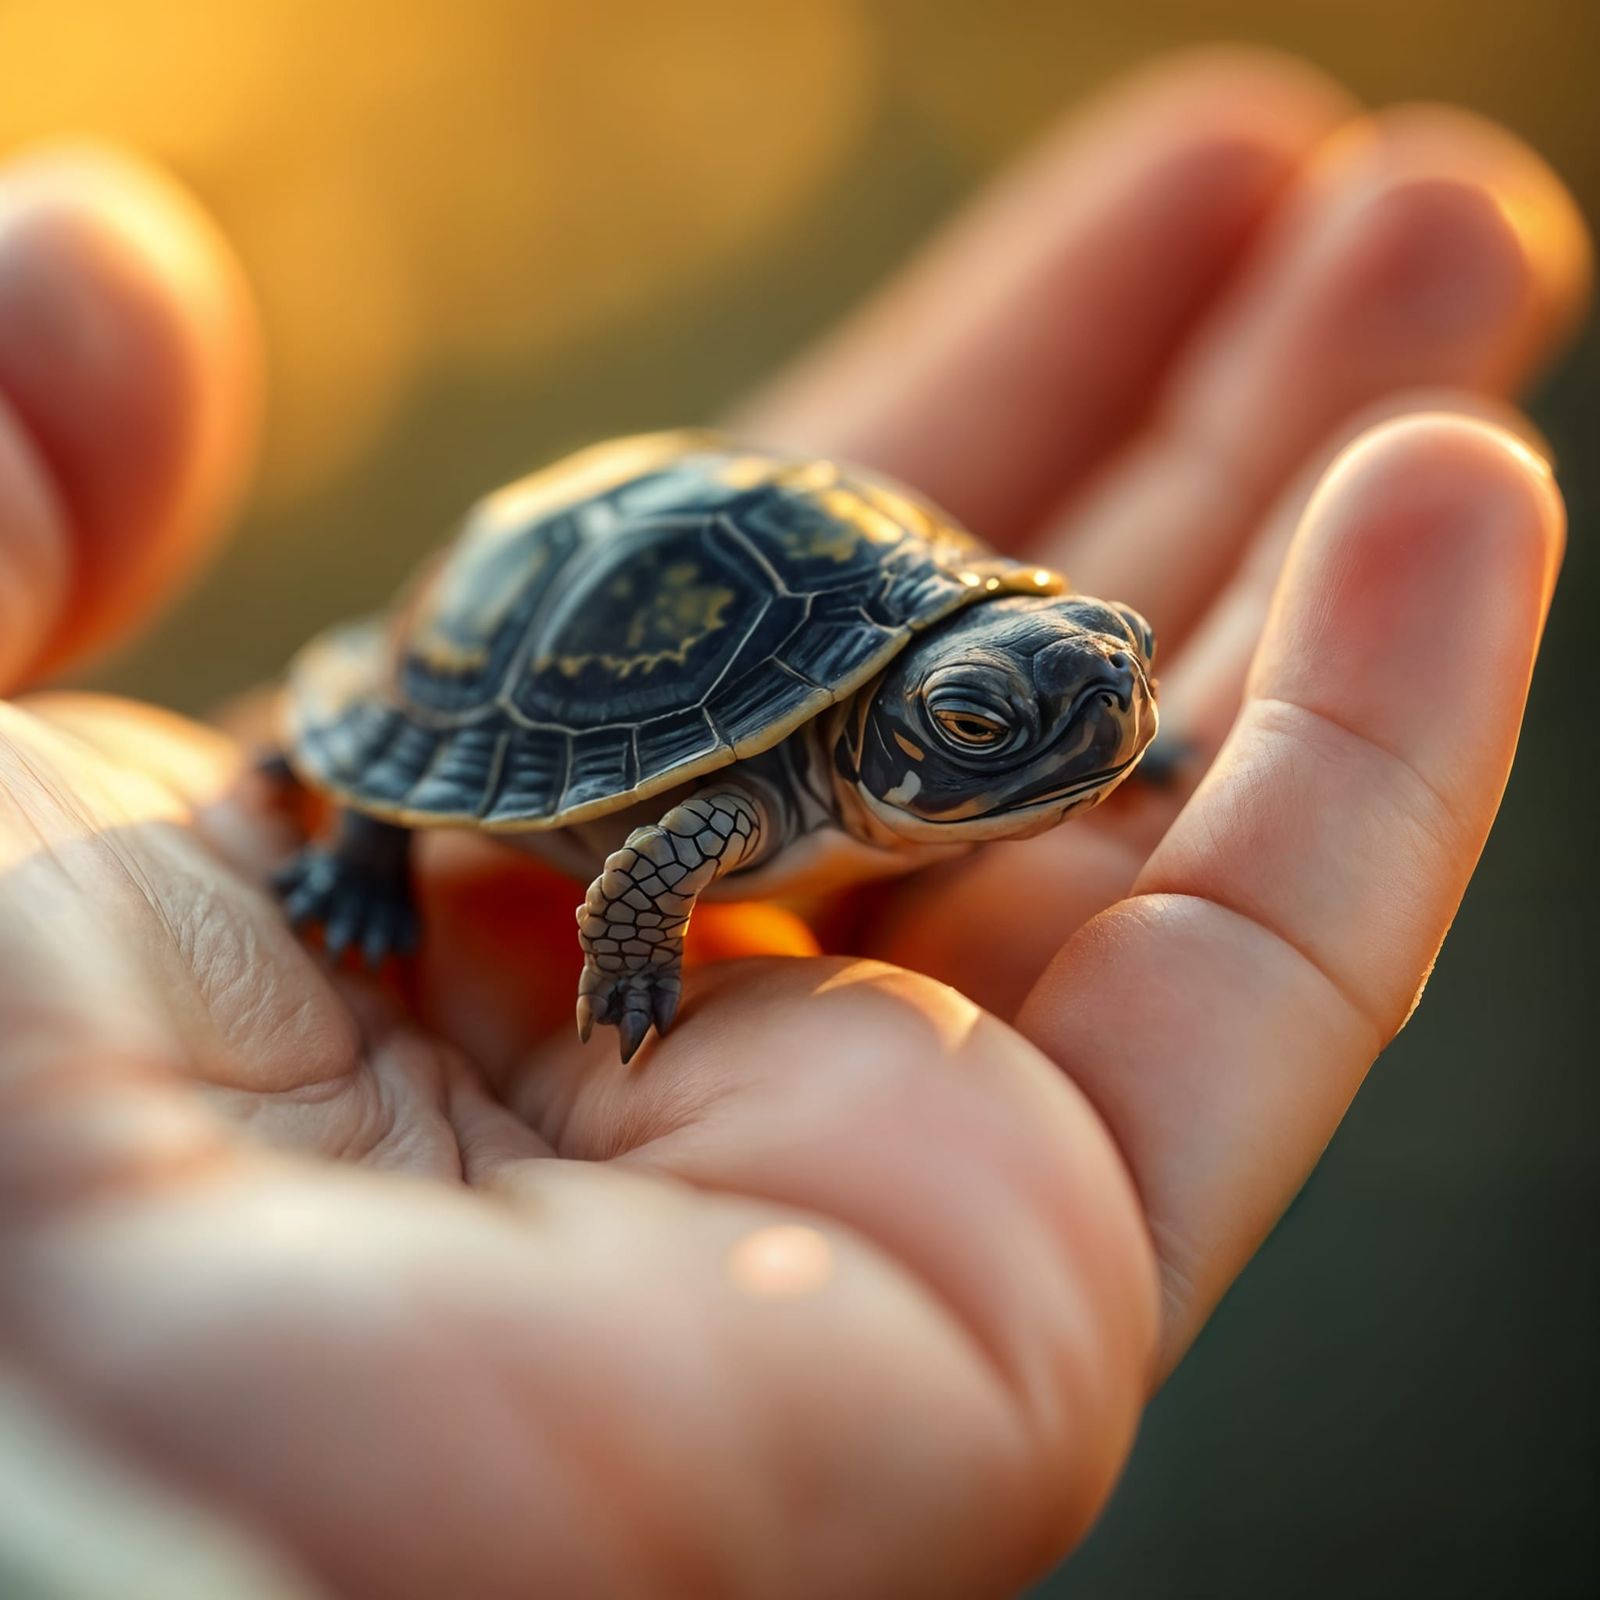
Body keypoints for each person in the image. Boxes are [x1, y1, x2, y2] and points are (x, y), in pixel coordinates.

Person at [0, 47, 1586, 1600]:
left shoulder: (1006, 672)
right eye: (978, 728)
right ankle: (353, 834)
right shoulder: (746, 792)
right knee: (393, 820)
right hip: (517, 663)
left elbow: (1043, 683)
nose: (1082, 722)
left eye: (1121, 677)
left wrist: (1091, 732)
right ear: (893, 732)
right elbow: (657, 850)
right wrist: (630, 947)